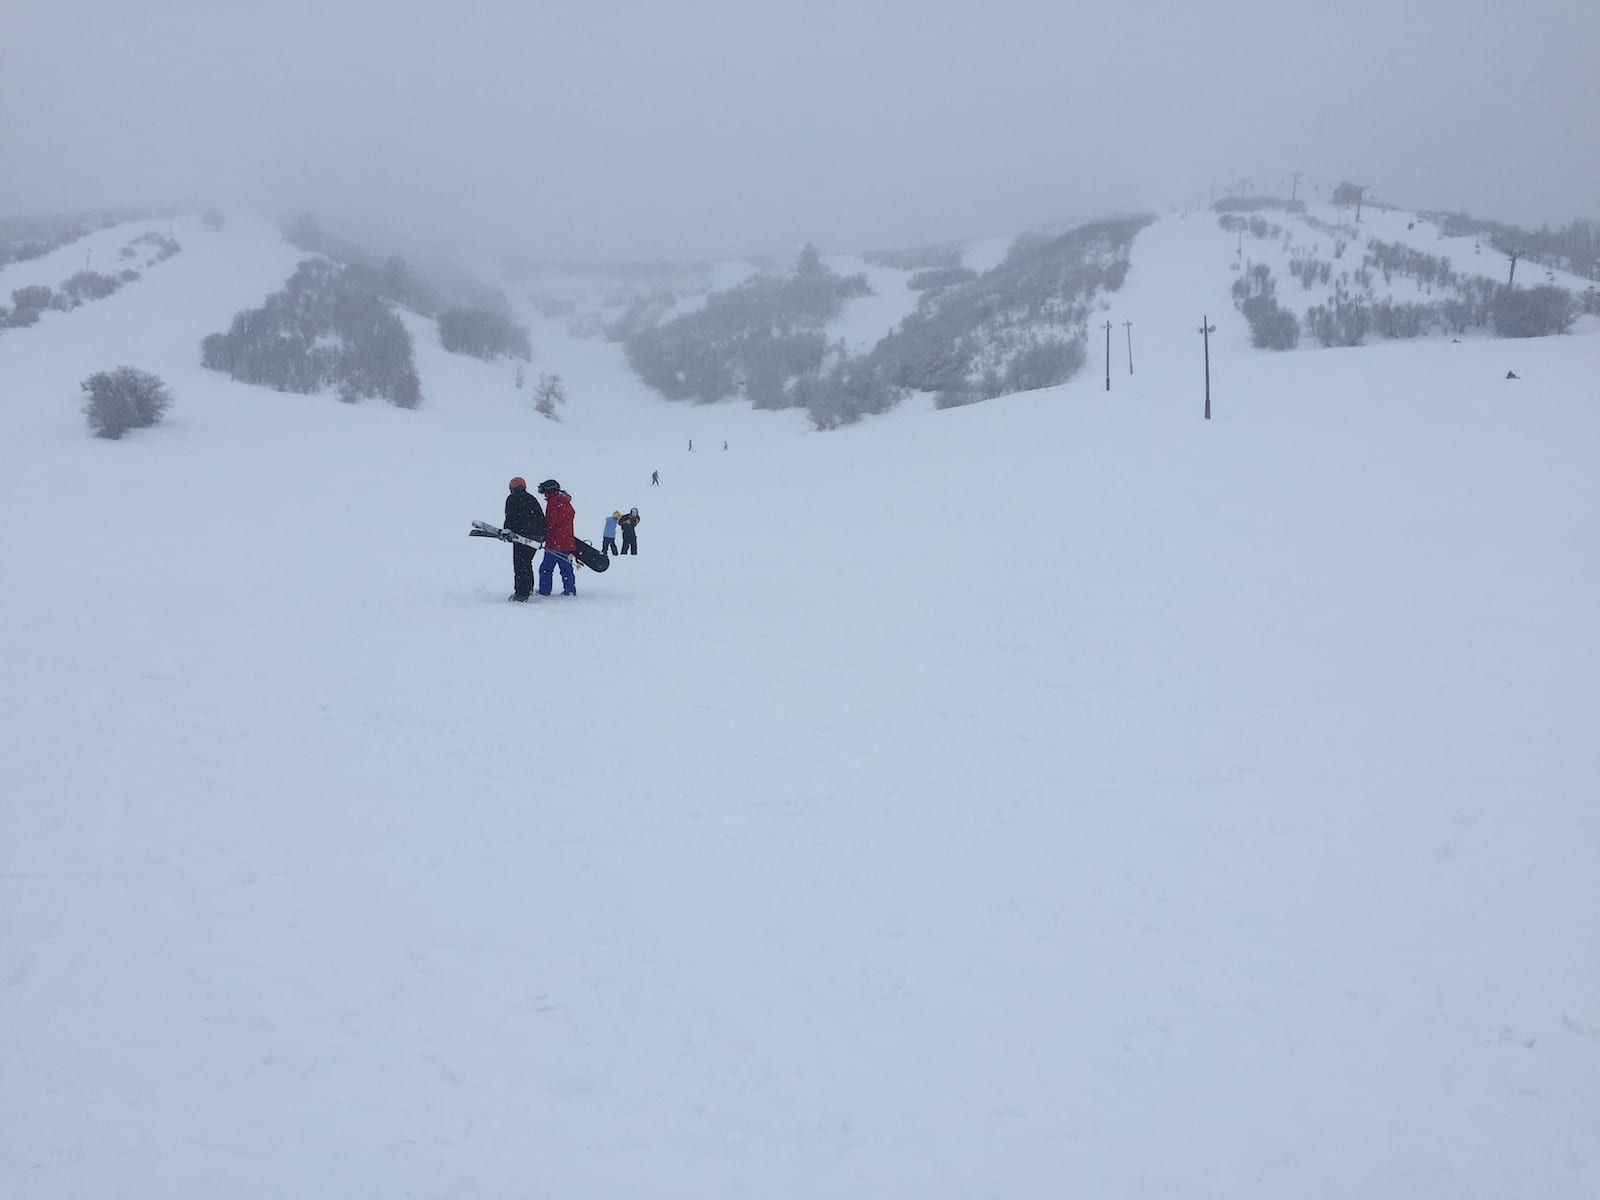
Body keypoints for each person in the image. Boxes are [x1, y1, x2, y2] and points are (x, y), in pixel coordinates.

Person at [503, 476, 546, 602]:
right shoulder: (531, 498)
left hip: (522, 536)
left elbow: (510, 516)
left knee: (520, 564)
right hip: (536, 536)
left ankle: (522, 594)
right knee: (527, 562)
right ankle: (528, 588)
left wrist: (507, 530)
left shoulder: (512, 499)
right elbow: (540, 516)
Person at [536, 479, 577, 596]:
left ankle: (544, 591)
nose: (545, 495)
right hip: (568, 541)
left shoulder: (553, 502)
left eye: (545, 493)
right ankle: (570, 590)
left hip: (555, 542)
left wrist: (542, 529)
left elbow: (550, 523)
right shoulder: (566, 502)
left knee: (546, 568)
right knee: (566, 568)